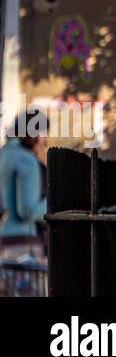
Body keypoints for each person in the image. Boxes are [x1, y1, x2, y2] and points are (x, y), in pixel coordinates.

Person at [1, 108, 48, 255]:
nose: (44, 141)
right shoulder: (26, 160)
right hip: (21, 243)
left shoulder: (3, 154)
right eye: (43, 134)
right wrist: (56, 202)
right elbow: (28, 211)